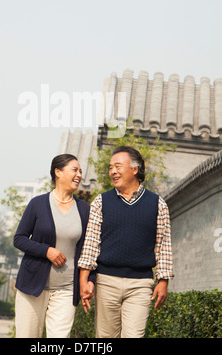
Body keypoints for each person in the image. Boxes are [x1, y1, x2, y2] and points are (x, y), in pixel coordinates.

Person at [78, 145, 174, 338]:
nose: (113, 171)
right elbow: (91, 245)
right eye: (111, 167)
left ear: (135, 169)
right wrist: (84, 280)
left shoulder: (158, 204)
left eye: (118, 166)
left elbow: (163, 245)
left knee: (134, 335)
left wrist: (163, 281)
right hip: (106, 281)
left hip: (140, 284)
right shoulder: (100, 202)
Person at [13, 154, 95, 338]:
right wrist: (46, 251)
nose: (79, 175)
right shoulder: (38, 204)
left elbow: (89, 250)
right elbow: (19, 238)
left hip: (66, 289)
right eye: (75, 170)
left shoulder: (84, 210)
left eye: (80, 171)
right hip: (32, 288)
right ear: (58, 172)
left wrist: (91, 281)